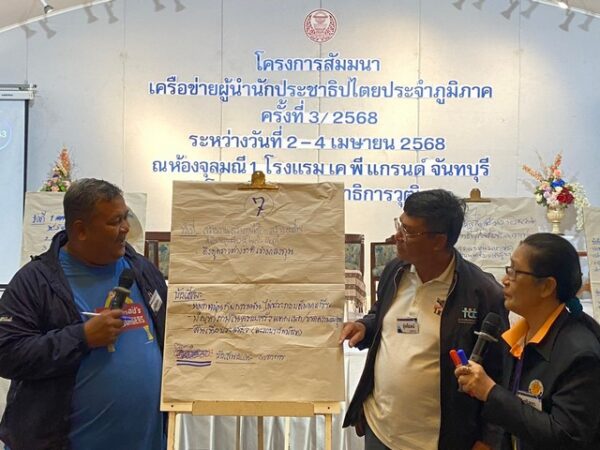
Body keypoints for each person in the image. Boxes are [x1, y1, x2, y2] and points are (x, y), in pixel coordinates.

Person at [0, 178, 168, 450]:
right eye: (115, 221)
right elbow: (6, 353)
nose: (126, 228)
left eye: (125, 217)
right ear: (81, 230)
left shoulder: (142, 270)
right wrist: (82, 337)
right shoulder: (35, 282)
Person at [340, 189, 508, 450]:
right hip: (380, 429)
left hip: (440, 439)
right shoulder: (395, 271)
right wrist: (365, 326)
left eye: (408, 231)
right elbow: (381, 314)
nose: (397, 236)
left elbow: (501, 371)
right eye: (399, 225)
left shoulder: (482, 293)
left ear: (438, 241)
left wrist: (489, 438)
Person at [455, 233, 600, 450]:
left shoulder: (580, 354)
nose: (505, 280)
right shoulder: (519, 337)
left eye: (515, 272)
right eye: (508, 270)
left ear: (546, 287)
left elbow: (567, 436)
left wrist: (491, 392)